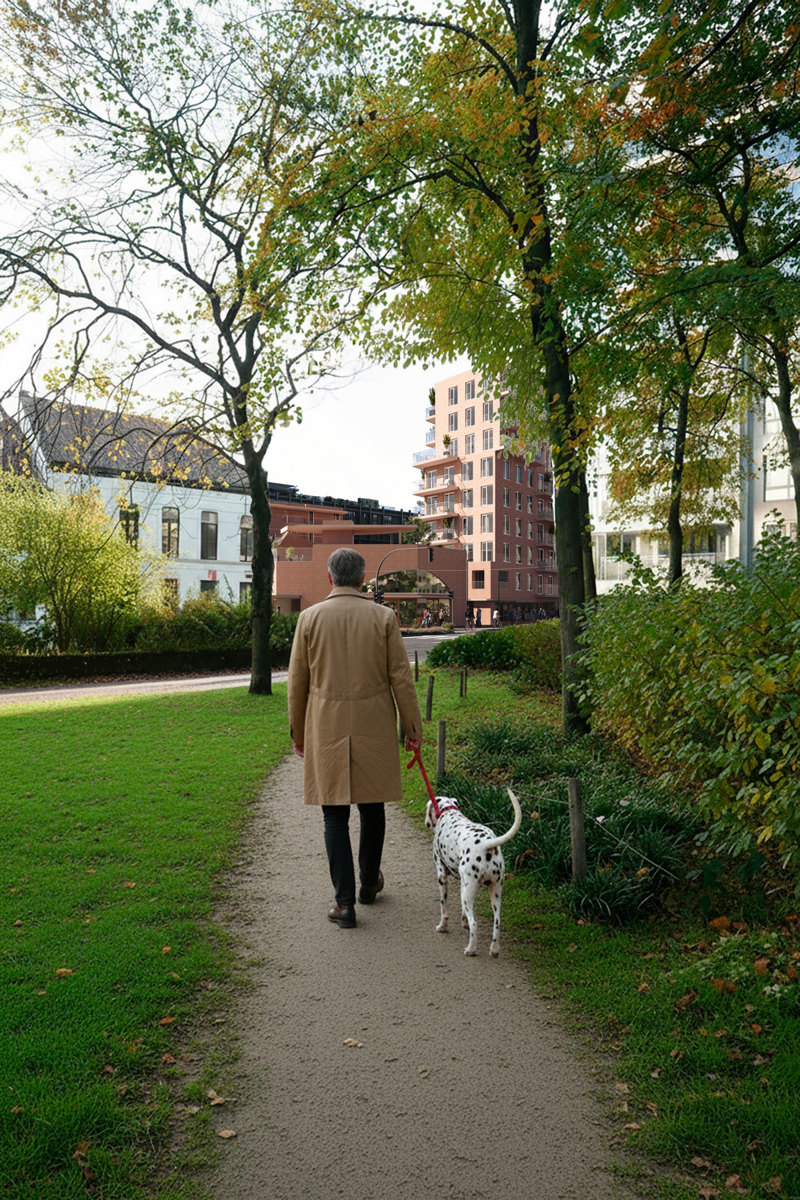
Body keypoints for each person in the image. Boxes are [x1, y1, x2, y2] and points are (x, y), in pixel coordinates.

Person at [288, 547, 424, 929]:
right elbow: (401, 677)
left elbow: (298, 683)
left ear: (329, 578)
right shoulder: (383, 617)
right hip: (374, 723)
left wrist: (298, 733)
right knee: (372, 807)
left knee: (334, 815)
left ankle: (344, 903)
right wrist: (412, 730)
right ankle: (368, 882)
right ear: (363, 579)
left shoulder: (309, 619)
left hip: (326, 725)